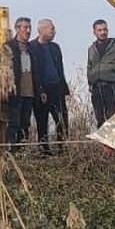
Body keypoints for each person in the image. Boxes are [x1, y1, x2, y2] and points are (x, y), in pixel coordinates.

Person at [85, 19, 115, 127]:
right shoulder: (91, 49)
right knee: (100, 119)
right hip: (97, 88)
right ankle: (101, 144)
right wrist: (90, 83)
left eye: (105, 29)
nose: (103, 32)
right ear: (94, 32)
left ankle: (112, 144)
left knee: (113, 118)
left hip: (112, 87)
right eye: (100, 30)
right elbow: (89, 67)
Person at [32, 18, 70, 155]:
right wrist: (40, 90)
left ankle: (63, 148)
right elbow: (34, 72)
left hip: (57, 88)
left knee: (62, 120)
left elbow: (60, 69)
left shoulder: (55, 47)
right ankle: (44, 150)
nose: (54, 31)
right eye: (52, 28)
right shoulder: (33, 47)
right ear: (42, 30)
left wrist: (64, 89)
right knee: (42, 121)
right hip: (42, 90)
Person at [3, 17, 36, 149]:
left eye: (29, 28)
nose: (28, 31)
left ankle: (22, 150)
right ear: (17, 29)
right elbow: (4, 70)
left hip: (29, 92)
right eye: (25, 28)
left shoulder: (32, 48)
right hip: (15, 92)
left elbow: (36, 72)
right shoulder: (9, 47)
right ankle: (10, 149)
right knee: (14, 122)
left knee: (25, 124)